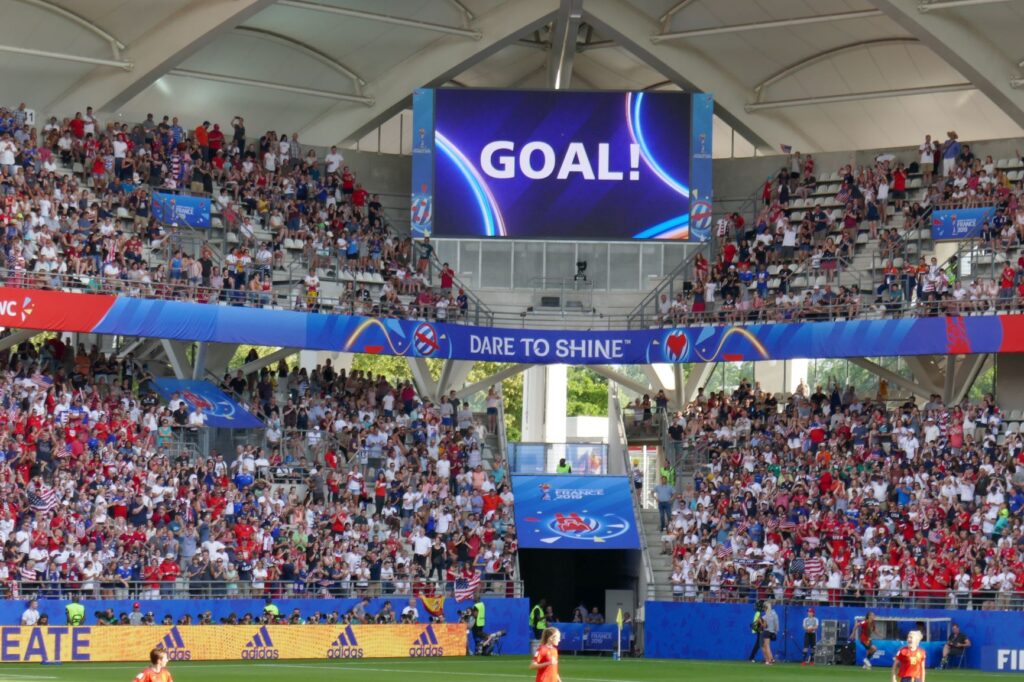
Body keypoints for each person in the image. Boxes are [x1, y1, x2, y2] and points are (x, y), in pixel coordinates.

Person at [760, 600, 778, 665]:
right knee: (767, 646)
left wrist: (760, 621)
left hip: (767, 631)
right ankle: (771, 659)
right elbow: (776, 624)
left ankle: (769, 661)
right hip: (772, 631)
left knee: (766, 646)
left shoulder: (765, 616)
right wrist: (776, 631)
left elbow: (764, 626)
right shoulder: (774, 614)